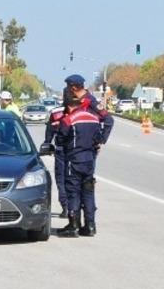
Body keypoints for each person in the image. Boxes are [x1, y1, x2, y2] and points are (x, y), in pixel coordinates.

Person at [56, 74, 113, 238]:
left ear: (73, 88)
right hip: (86, 153)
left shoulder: (90, 101)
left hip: (77, 154)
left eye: (68, 88)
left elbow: (108, 120)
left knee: (74, 190)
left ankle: (75, 225)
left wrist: (100, 141)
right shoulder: (82, 106)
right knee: (87, 190)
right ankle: (89, 225)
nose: (67, 91)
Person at [44, 94, 70, 215]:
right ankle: (70, 207)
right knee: (71, 180)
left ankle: (66, 207)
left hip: (63, 151)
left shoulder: (55, 112)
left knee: (62, 179)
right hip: (76, 152)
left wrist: (47, 144)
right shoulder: (82, 112)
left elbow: (49, 134)